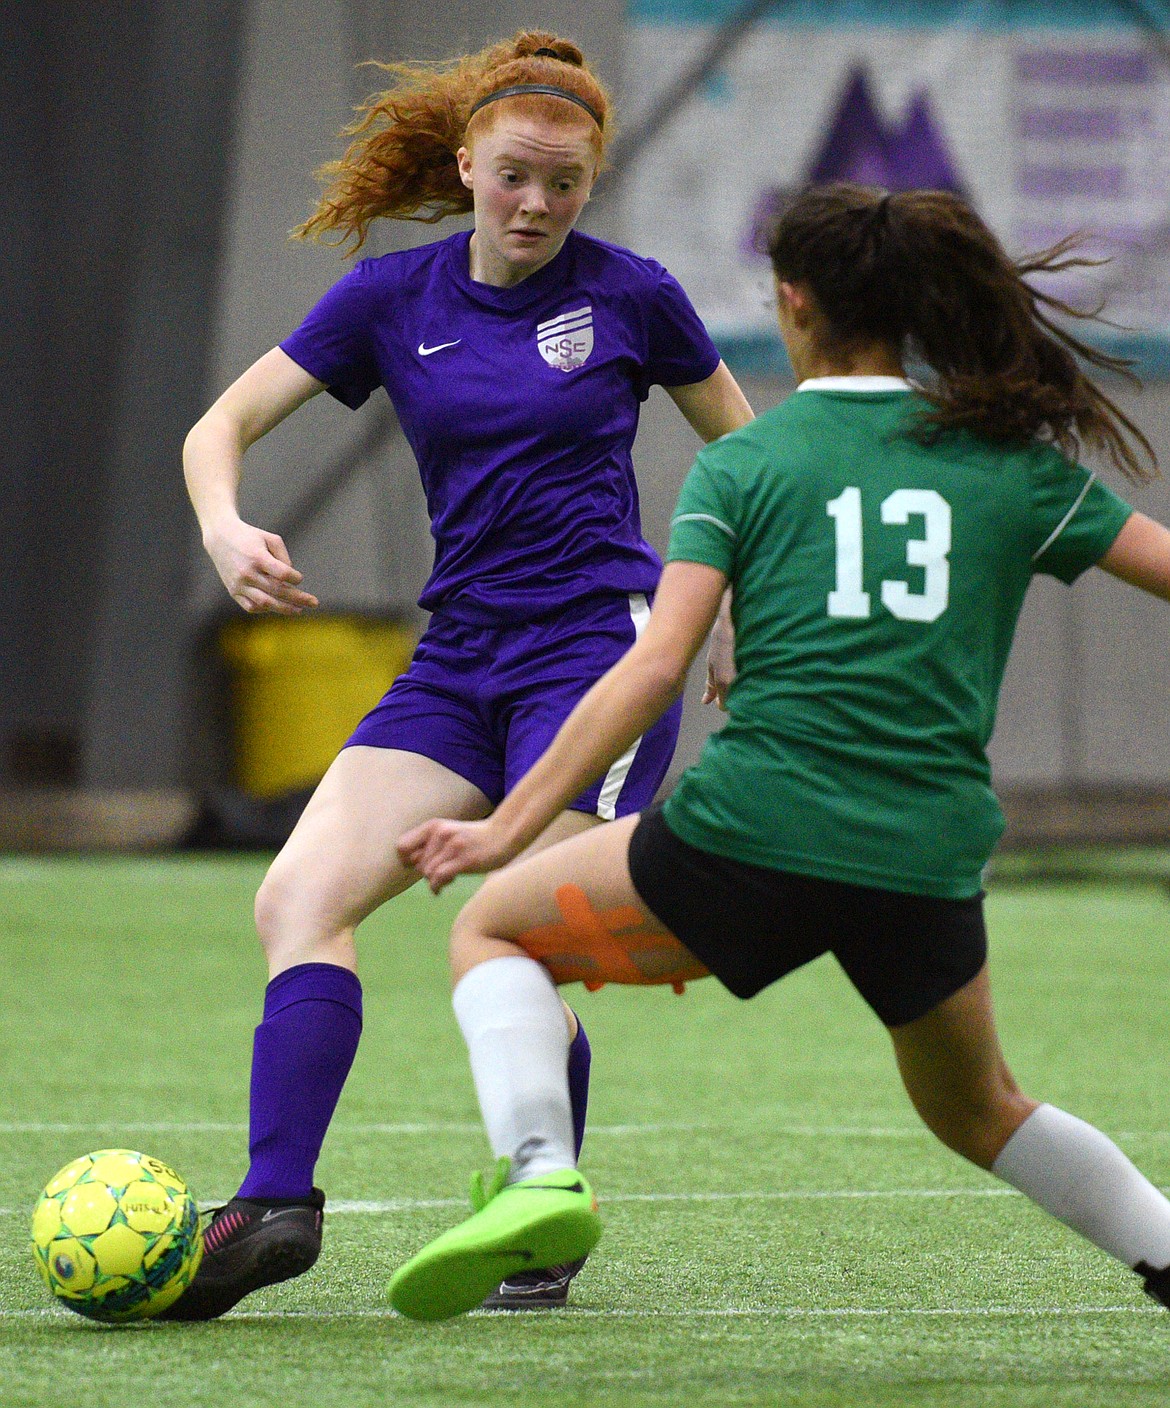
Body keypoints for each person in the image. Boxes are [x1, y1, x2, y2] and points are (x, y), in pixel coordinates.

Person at [388, 181, 1170, 1323]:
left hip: (754, 830)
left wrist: (507, 826)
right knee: (982, 1109)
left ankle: (540, 1174)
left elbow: (654, 667)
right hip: (924, 852)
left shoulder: (749, 463)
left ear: (792, 302)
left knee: (494, 925)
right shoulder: (1009, 465)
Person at [163, 31, 754, 1320]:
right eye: (515, 179)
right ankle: (274, 1204)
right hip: (459, 657)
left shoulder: (631, 295)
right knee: (297, 900)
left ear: (590, 185)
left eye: (565, 184)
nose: (537, 205)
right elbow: (221, 426)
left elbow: (748, 452)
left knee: (529, 928)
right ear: (467, 163)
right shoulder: (393, 300)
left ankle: (541, 1218)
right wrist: (224, 525)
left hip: (598, 652)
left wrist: (726, 603)